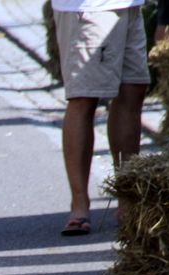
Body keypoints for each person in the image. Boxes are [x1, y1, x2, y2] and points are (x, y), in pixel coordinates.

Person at [53, 0, 151, 236]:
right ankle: (79, 205)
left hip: (129, 6)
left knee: (132, 91)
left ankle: (127, 199)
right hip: (90, 8)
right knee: (84, 97)